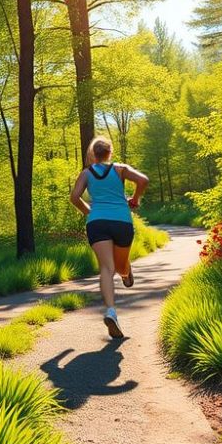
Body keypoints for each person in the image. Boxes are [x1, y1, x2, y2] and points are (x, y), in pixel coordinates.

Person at [70, 136, 149, 339]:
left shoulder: (86, 173)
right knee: (119, 266)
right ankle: (126, 272)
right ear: (110, 152)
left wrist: (89, 212)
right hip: (121, 221)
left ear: (93, 154)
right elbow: (143, 180)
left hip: (97, 223)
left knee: (107, 268)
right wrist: (135, 199)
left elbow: (74, 197)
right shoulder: (120, 169)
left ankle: (111, 310)